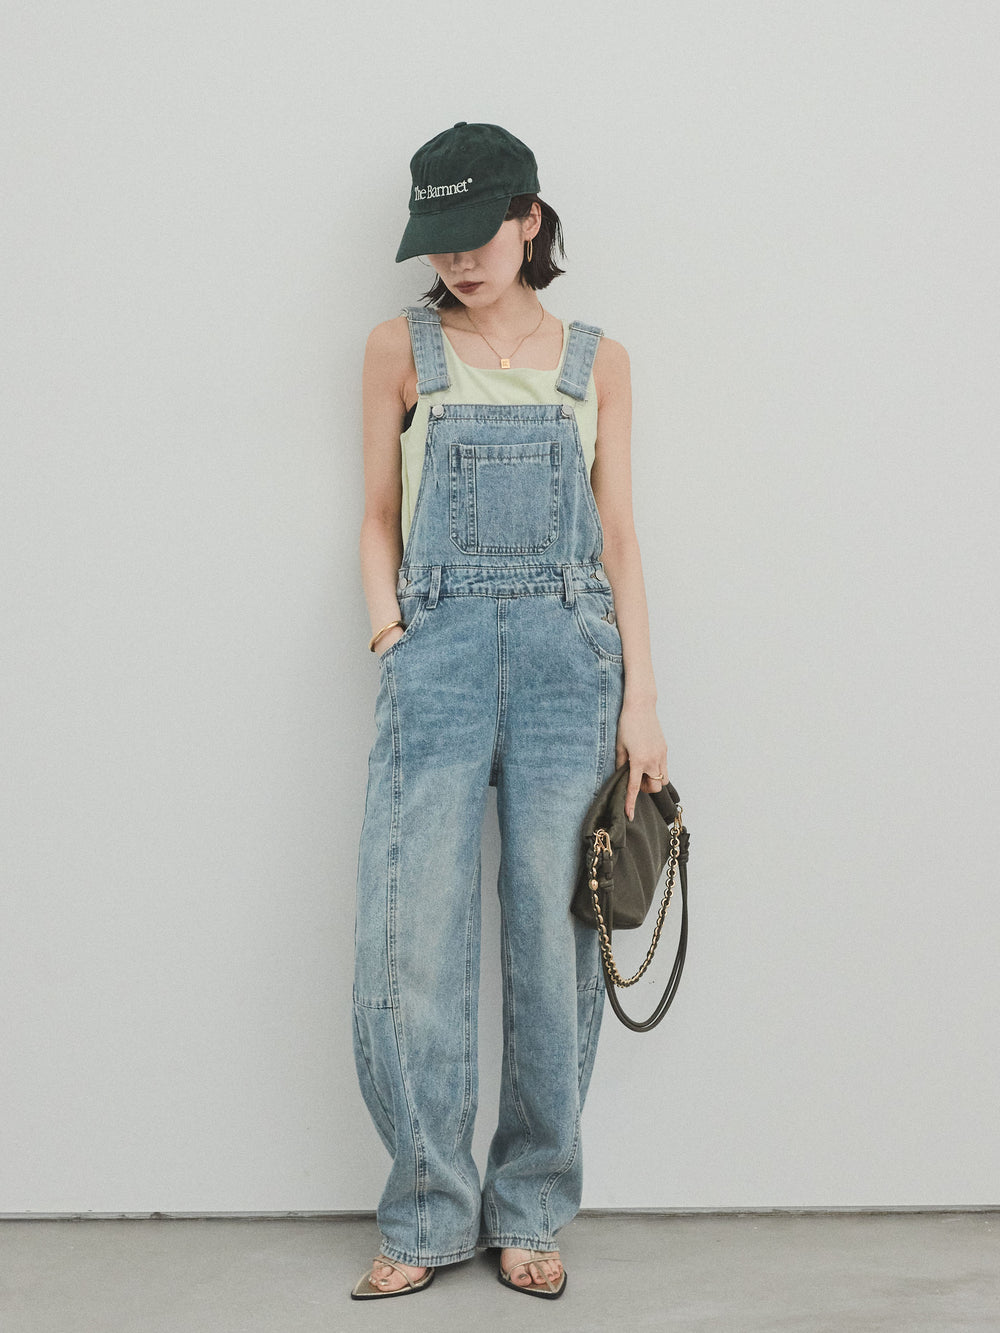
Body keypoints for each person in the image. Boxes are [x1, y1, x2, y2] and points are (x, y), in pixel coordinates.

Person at [350, 121, 668, 1301]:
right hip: (432, 660)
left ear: (529, 219)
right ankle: (427, 1210)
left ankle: (530, 1205)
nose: (455, 260)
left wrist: (642, 700)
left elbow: (619, 538)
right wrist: (391, 638)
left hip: (567, 664)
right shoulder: (400, 346)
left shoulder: (599, 360)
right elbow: (375, 515)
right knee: (410, 942)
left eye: (475, 234)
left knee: (553, 944)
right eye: (436, 240)